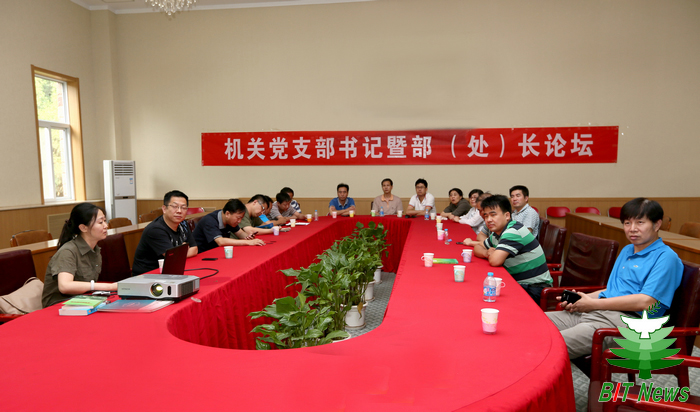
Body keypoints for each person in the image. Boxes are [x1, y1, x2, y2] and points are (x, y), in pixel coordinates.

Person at [546, 198, 683, 359]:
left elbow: (647, 302)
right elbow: (613, 291)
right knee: (532, 325)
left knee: (547, 345)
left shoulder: (666, 257)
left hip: (628, 324)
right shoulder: (627, 250)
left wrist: (593, 304)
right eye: (627, 223)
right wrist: (582, 300)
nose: (632, 229)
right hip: (598, 312)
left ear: (657, 224)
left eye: (640, 222)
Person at [473, 195, 552, 303]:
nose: (488, 220)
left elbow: (495, 261)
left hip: (534, 288)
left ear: (507, 215)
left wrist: (490, 254)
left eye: (493, 215)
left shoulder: (513, 231)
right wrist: (486, 252)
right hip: (519, 283)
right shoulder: (498, 233)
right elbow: (477, 247)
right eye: (486, 216)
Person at [42, 203, 118, 307]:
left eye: (105, 221)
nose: (106, 226)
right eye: (100, 222)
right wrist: (108, 287)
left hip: (82, 300)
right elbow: (65, 286)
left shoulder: (95, 249)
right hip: (59, 305)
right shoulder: (68, 251)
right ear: (83, 228)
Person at [132, 190, 198, 275]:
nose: (179, 211)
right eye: (174, 206)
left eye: (183, 207)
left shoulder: (183, 223)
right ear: (164, 209)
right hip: (148, 275)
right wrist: (183, 250)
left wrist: (179, 252)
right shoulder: (155, 229)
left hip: (170, 271)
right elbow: (172, 258)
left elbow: (194, 249)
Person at [193, 198, 265, 253]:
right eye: (238, 218)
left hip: (217, 252)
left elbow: (240, 233)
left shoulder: (229, 220)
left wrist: (248, 237)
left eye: (241, 218)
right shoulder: (209, 220)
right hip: (202, 254)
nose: (239, 221)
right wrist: (248, 242)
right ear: (227, 214)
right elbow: (220, 241)